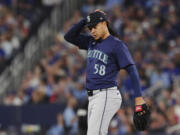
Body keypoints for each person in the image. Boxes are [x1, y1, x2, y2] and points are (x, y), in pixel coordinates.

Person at [64, 10, 150, 135]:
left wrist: (139, 98)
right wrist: (86, 20)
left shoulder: (116, 45)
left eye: (95, 26)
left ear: (104, 23)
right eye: (90, 28)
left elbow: (132, 71)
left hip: (106, 94)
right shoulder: (90, 42)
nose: (92, 31)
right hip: (93, 97)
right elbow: (69, 37)